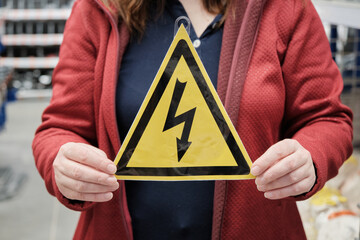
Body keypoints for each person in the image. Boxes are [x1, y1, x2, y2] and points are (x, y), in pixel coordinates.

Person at [32, 0, 353, 239]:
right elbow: (58, 128)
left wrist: (310, 158)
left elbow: (327, 119)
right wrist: (64, 165)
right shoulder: (99, 9)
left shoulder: (285, 8)